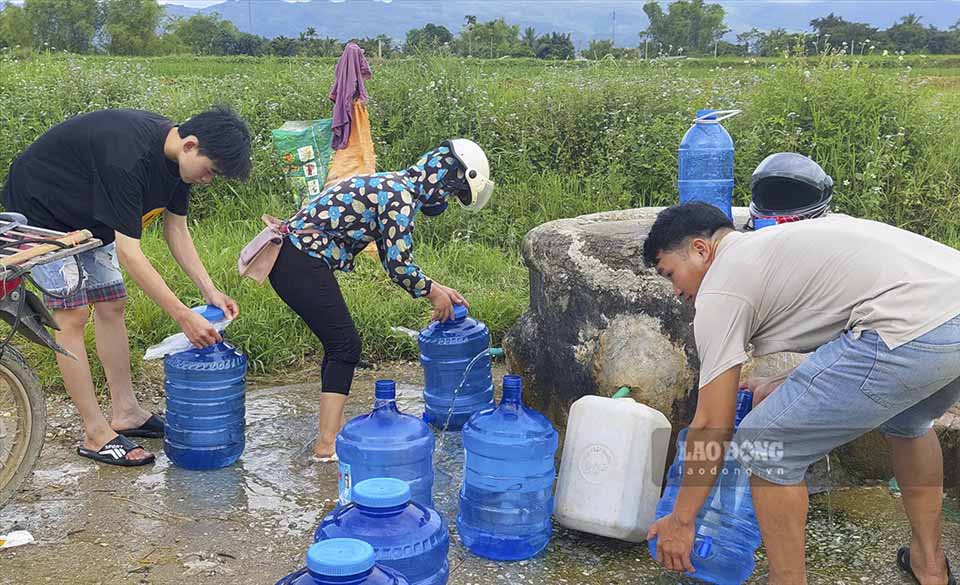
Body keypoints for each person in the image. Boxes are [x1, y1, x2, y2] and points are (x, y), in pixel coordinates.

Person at [643, 201, 959, 585]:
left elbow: (712, 423)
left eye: (670, 274)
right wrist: (787, 380)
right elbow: (849, 317)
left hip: (911, 329)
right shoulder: (774, 245)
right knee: (909, 420)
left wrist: (681, 520)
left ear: (700, 249)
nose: (676, 290)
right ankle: (930, 565)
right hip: (945, 311)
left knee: (764, 444)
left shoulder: (721, 288)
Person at [1, 107, 251, 467]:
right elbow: (131, 253)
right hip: (43, 206)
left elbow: (176, 230)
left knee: (112, 303)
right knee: (71, 314)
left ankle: (126, 412)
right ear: (191, 144)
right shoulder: (129, 158)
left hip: (91, 211)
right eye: (210, 171)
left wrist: (209, 290)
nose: (208, 180)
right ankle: (95, 432)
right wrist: (182, 315)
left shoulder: (179, 165)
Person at [268, 139, 494, 461]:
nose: (445, 200)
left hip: (294, 260)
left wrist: (437, 286)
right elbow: (400, 268)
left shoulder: (395, 187)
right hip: (300, 262)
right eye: (450, 192)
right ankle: (326, 445)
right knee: (346, 346)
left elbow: (393, 260)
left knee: (338, 344)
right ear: (446, 176)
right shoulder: (399, 197)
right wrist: (434, 294)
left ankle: (330, 430)